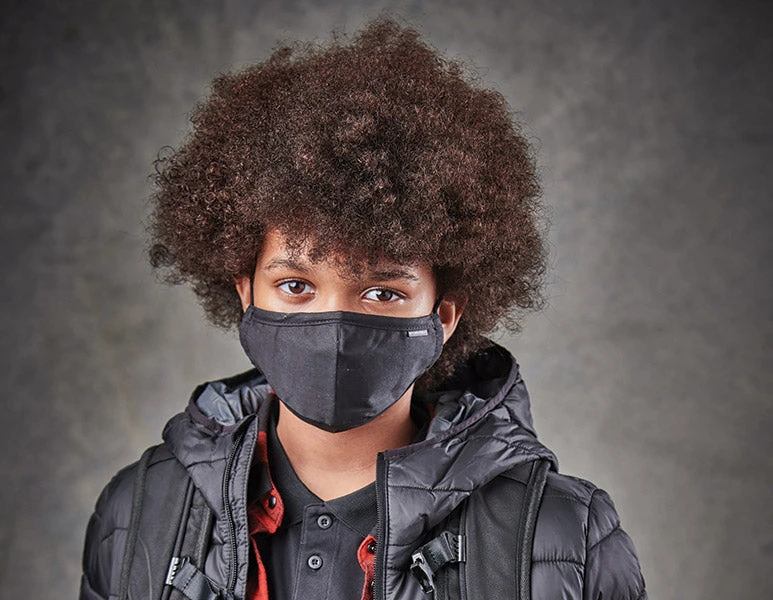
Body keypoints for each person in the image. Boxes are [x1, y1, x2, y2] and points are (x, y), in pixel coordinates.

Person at [79, 17, 647, 600]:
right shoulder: (137, 515)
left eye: (382, 292)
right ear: (245, 292)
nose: (333, 328)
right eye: (296, 285)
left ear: (444, 314)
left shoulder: (566, 534)